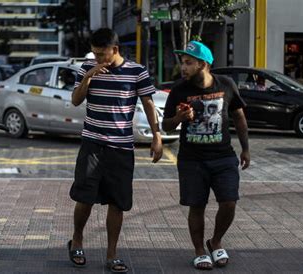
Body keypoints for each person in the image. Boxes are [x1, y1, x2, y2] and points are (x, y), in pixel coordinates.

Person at [68, 28, 163, 273]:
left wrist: (156, 136)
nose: (98, 59)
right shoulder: (87, 67)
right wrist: (89, 76)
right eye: (95, 54)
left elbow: (148, 103)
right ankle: (77, 239)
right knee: (84, 197)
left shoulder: (136, 71)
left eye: (102, 54)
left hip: (121, 147)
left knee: (117, 202)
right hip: (92, 143)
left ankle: (112, 254)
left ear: (115, 49)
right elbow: (76, 100)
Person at [162, 41, 250, 270]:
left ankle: (216, 241)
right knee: (197, 206)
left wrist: (246, 148)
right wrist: (179, 118)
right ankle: (200, 250)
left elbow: (239, 117)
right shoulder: (179, 89)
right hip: (192, 159)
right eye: (183, 62)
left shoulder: (226, 84)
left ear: (203, 64)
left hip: (223, 156)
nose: (183, 67)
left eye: (189, 63)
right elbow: (166, 125)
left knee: (229, 202)